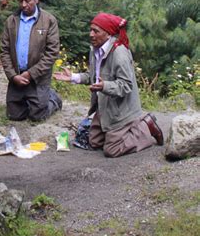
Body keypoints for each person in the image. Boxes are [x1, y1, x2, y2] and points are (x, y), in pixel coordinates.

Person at [53, 12, 164, 158]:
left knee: (112, 150)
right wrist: (73, 77)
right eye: (91, 29)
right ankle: (119, 133)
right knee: (94, 142)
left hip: (121, 110)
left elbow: (126, 86)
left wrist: (105, 86)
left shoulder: (119, 53)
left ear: (108, 33)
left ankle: (146, 127)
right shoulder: (95, 50)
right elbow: (93, 76)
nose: (91, 34)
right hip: (105, 107)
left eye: (96, 31)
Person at [0, 0, 62, 121]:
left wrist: (31, 73)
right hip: (17, 75)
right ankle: (31, 99)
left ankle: (53, 99)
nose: (23, 4)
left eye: (27, 0)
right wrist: (13, 76)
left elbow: (52, 53)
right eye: (20, 0)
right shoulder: (11, 21)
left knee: (37, 116)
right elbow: (4, 51)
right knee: (14, 115)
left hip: (38, 77)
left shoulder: (49, 21)